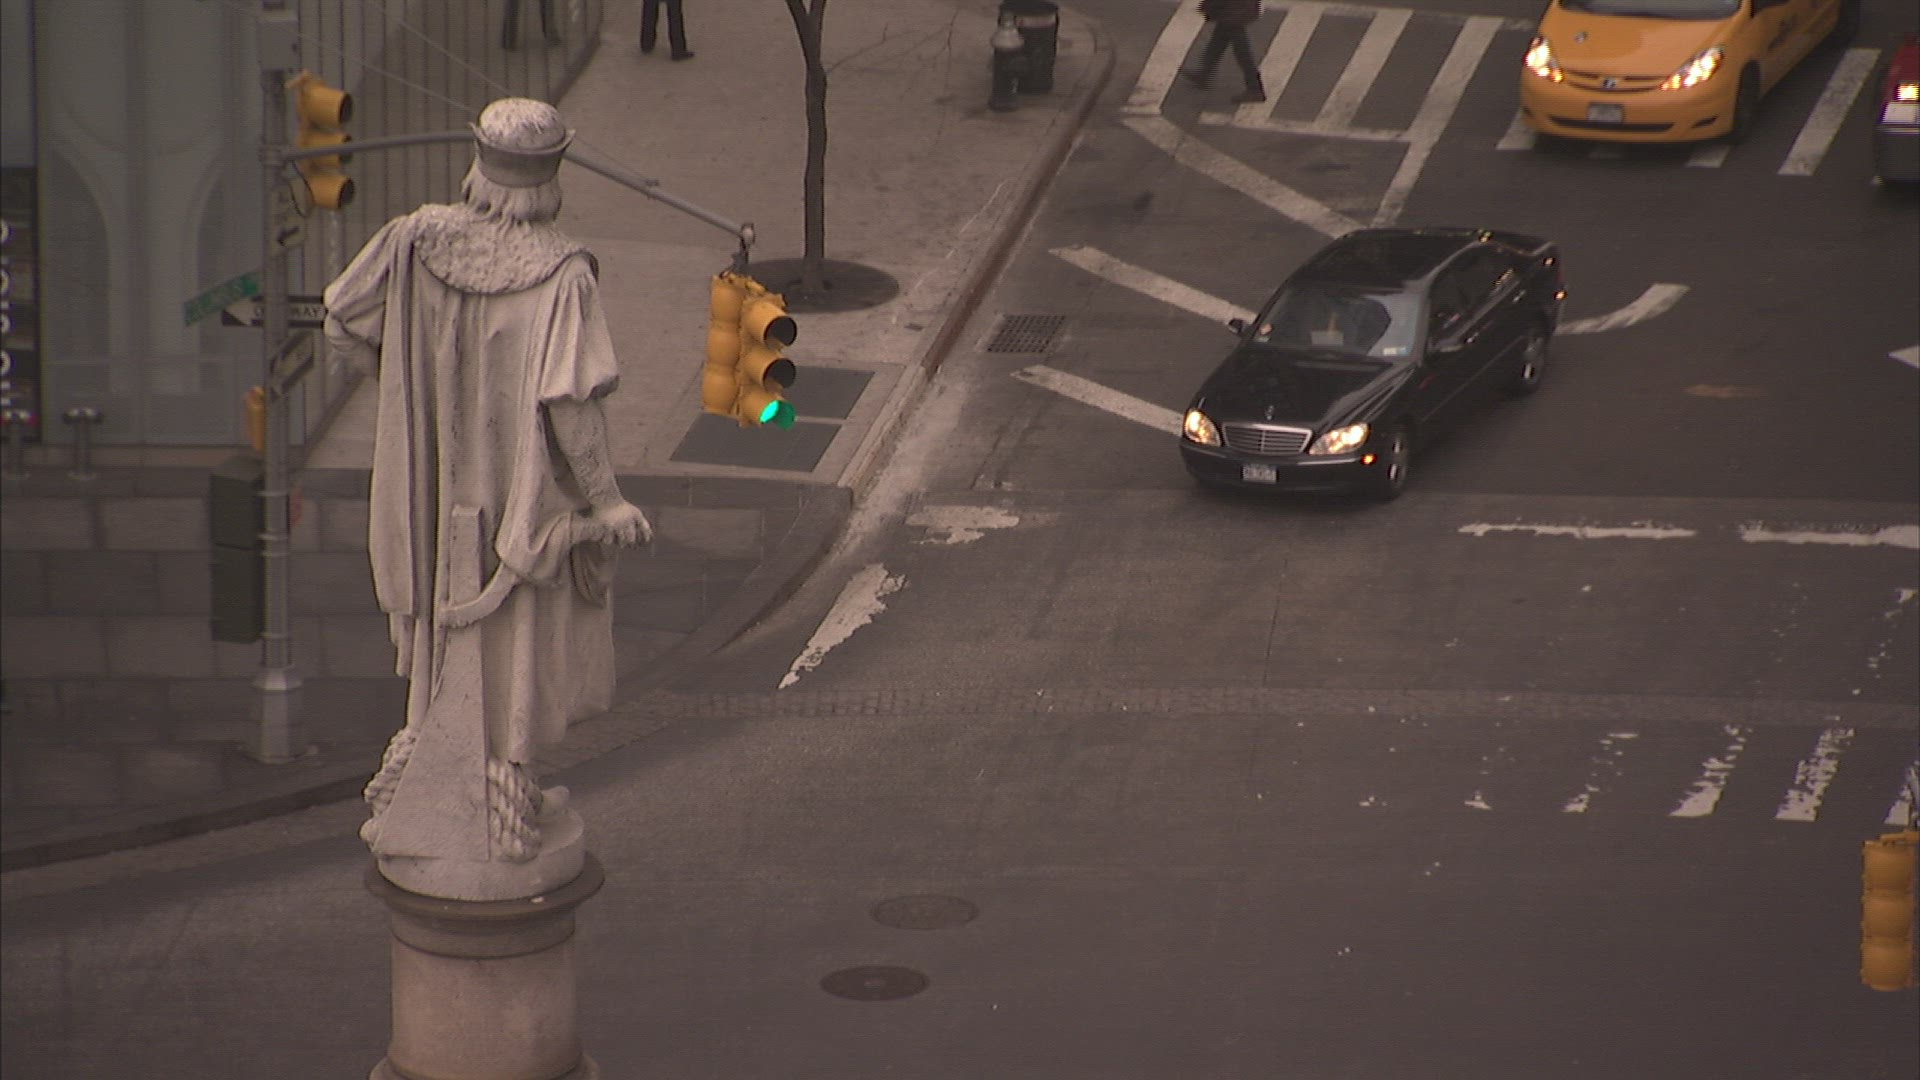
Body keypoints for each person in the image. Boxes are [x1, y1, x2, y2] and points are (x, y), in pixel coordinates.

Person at [325, 98, 652, 864]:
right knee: (513, 650)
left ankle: (469, 787)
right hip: (515, 508)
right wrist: (608, 501)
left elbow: (341, 319)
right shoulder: (564, 275)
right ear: (552, 175)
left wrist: (408, 394)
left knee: (445, 649)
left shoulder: (416, 238)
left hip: (429, 495)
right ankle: (495, 790)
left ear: (479, 164)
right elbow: (570, 408)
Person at [1183, 0, 1267, 104]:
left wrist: (1209, 8)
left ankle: (1255, 89)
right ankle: (1204, 74)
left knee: (1242, 52)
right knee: (1218, 40)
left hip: (1234, 10)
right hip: (1235, 9)